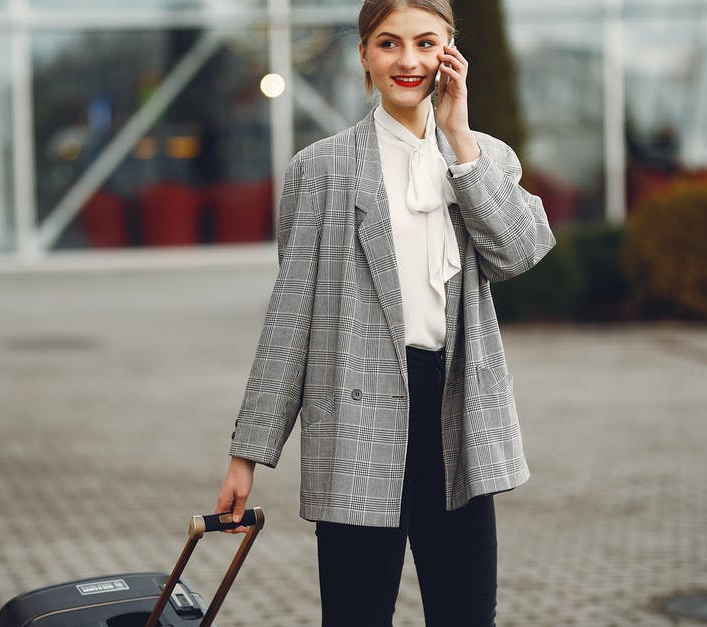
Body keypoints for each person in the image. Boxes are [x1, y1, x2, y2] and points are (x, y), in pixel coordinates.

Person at [215, 0, 555, 624]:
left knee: (466, 615)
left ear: (451, 53)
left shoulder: (485, 158)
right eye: (389, 44)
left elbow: (519, 254)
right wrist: (249, 451)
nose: (408, 61)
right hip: (355, 421)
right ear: (365, 56)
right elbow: (291, 319)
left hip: (455, 418)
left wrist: (458, 138)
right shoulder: (320, 171)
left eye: (427, 43)